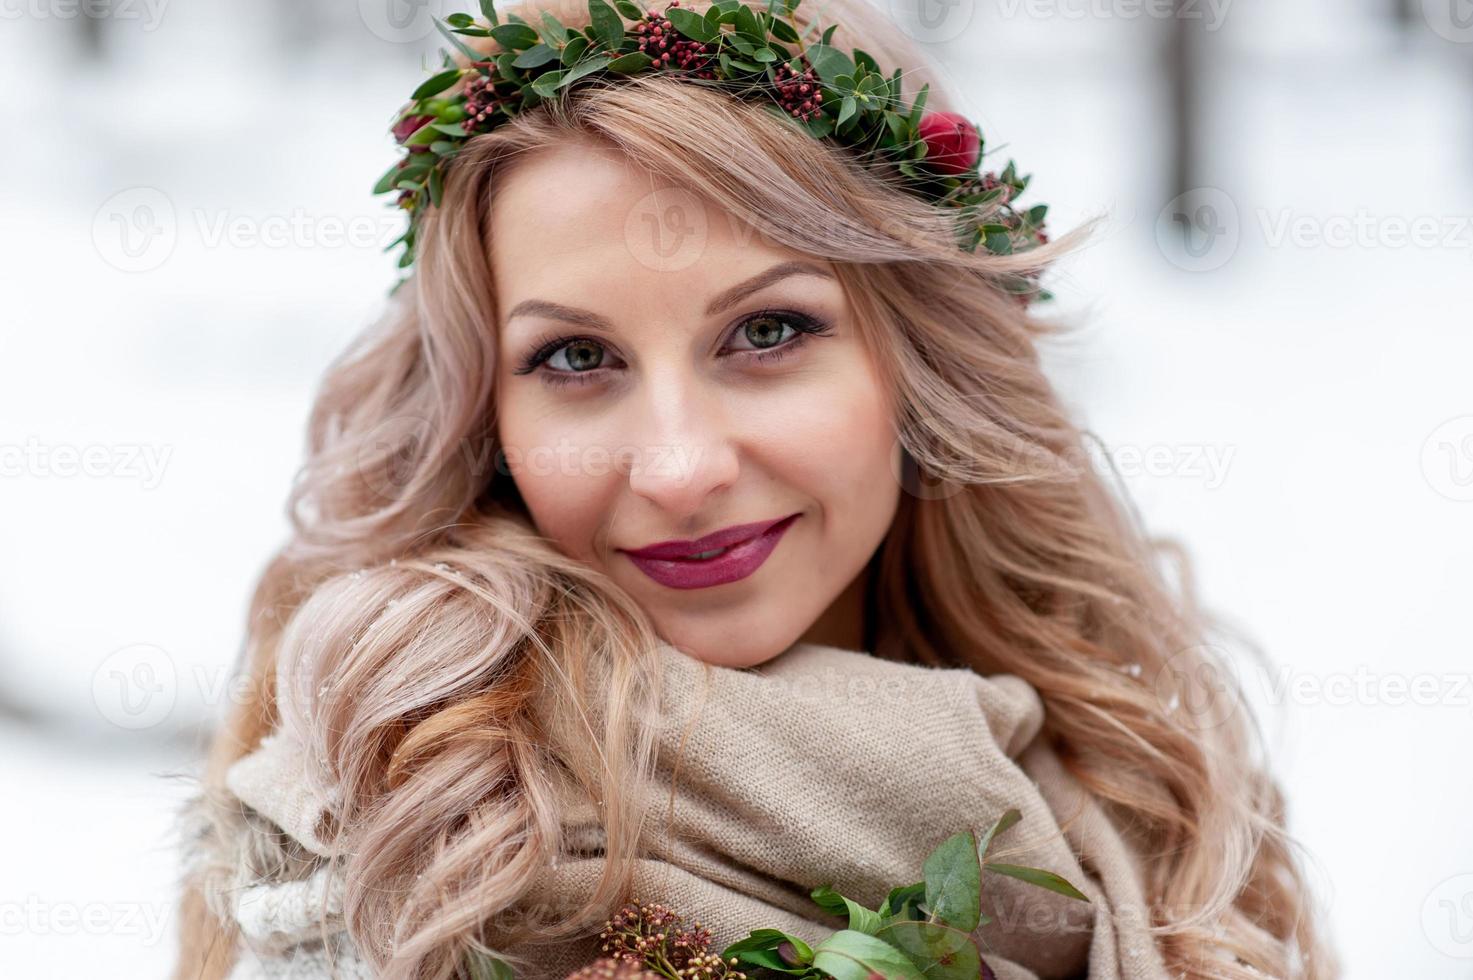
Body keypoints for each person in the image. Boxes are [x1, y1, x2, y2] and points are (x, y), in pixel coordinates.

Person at [169, 0, 1339, 977]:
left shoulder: (1122, 774)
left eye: (767, 331)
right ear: (486, 416)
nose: (679, 468)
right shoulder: (399, 833)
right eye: (576, 359)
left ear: (915, 359)